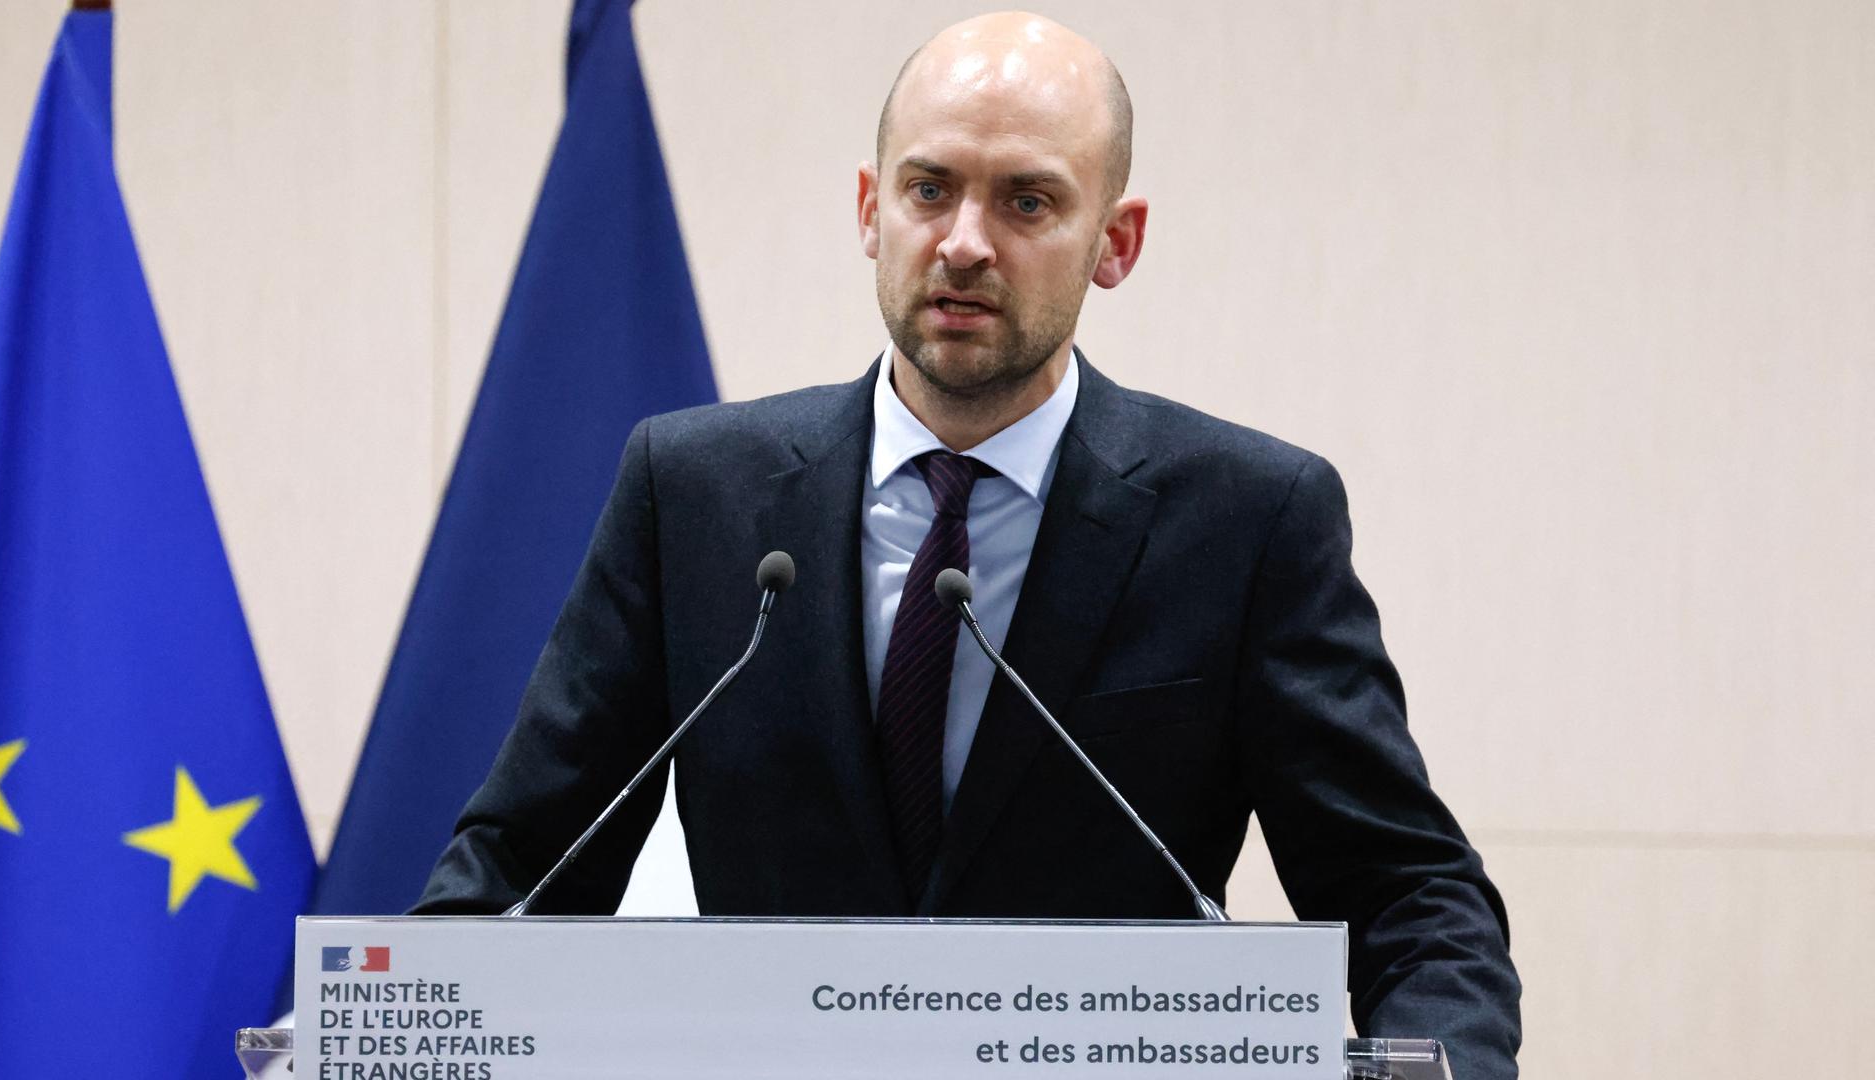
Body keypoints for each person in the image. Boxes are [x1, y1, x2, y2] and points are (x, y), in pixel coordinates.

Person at [414, 11, 1522, 1077]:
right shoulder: (697, 493)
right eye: (928, 190)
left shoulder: (1246, 518)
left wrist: (1448, 1065)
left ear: (1114, 243)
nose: (964, 244)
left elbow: (1410, 896)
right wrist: (388, 1035)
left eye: (1029, 202)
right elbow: (524, 865)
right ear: (868, 210)